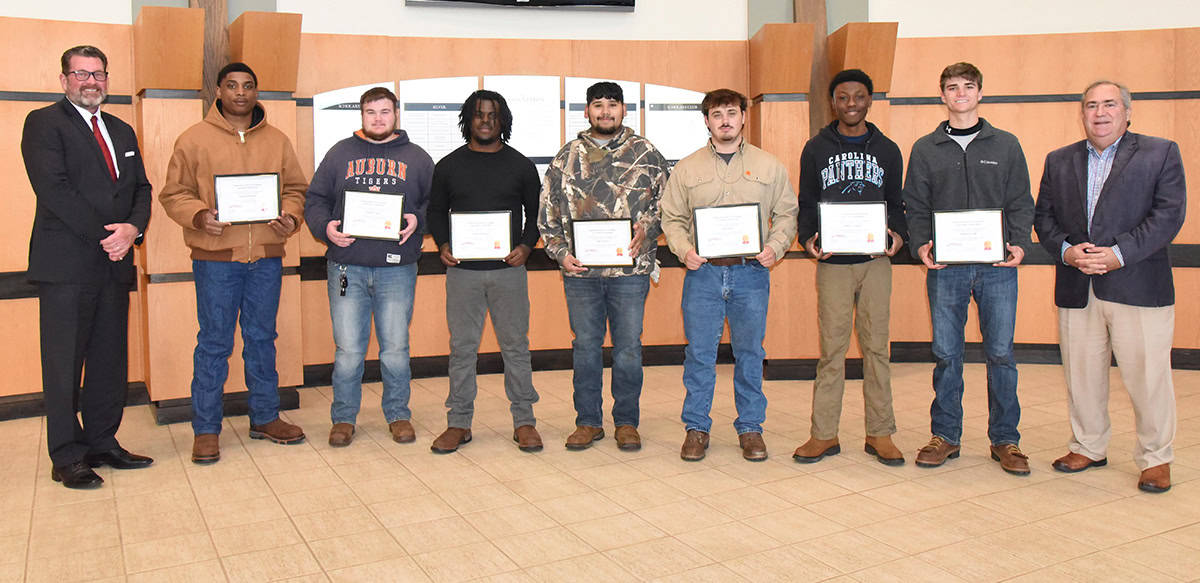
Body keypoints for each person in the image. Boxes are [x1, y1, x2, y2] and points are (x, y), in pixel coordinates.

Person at [1034, 81, 1185, 493]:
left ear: (1127, 112)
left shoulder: (1161, 152)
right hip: (1077, 285)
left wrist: (1118, 254)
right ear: (1081, 113)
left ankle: (1156, 457)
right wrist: (1067, 252)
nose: (1100, 113)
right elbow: (1043, 219)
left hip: (1138, 283)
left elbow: (1168, 216)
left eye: (1109, 105)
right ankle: (1088, 446)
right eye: (1091, 106)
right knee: (1081, 374)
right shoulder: (1059, 160)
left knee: (1148, 376)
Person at [160, 62, 308, 464]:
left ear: (256, 92)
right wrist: (198, 216)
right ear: (219, 92)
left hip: (265, 257)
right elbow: (174, 193)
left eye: (248, 86)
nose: (240, 92)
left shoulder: (277, 140)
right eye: (232, 85)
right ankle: (206, 429)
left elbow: (296, 189)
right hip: (216, 260)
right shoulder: (192, 140)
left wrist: (291, 218)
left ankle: (264, 416)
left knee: (262, 339)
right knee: (214, 343)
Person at [21, 45, 153, 488]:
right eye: (80, 73)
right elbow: (54, 191)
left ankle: (102, 441)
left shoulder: (122, 129)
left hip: (114, 266)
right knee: (62, 364)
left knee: (108, 361)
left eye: (97, 74)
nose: (90, 81)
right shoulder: (43, 124)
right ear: (64, 80)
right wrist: (109, 237)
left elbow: (141, 188)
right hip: (67, 266)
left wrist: (133, 228)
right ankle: (67, 454)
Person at [902, 62, 1034, 475]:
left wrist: (1018, 241)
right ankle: (945, 436)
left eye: (968, 87)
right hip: (947, 268)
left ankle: (1006, 440)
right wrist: (921, 244)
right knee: (946, 354)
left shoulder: (1006, 145)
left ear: (980, 93)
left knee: (1001, 354)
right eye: (952, 87)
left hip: (997, 266)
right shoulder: (925, 148)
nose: (960, 94)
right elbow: (916, 204)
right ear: (941, 95)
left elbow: (1020, 200)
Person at [660, 88, 798, 462]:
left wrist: (776, 246)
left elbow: (787, 213)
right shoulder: (687, 168)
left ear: (742, 118)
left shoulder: (769, 166)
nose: (725, 120)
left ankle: (751, 428)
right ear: (706, 120)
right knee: (700, 355)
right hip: (703, 275)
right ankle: (696, 428)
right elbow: (671, 217)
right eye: (717, 114)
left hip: (750, 273)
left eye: (732, 113)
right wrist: (683, 249)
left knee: (750, 353)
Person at [538, 81, 669, 452]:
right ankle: (588, 422)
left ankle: (627, 422)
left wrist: (648, 229)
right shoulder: (567, 157)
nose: (606, 112)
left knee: (628, 348)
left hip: (630, 274)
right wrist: (561, 253)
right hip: (580, 274)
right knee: (585, 347)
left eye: (613, 105)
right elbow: (548, 215)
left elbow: (668, 207)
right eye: (598, 105)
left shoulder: (647, 154)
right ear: (586, 111)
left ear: (625, 110)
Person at [304, 86, 431, 448]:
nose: (378, 118)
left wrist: (416, 220)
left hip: (397, 269)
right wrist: (324, 227)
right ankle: (343, 417)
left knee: (395, 348)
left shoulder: (418, 158)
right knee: (348, 351)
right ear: (361, 115)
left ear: (396, 114)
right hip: (347, 268)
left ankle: (398, 414)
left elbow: (433, 204)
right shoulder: (339, 154)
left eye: (385, 112)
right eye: (371, 112)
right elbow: (315, 199)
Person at [793, 69, 907, 466]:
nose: (852, 104)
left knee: (877, 349)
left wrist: (898, 235)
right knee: (832, 351)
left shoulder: (888, 149)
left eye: (859, 96)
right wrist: (808, 238)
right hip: (834, 265)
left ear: (869, 100)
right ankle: (823, 434)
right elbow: (807, 202)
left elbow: (897, 202)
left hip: (875, 262)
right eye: (843, 97)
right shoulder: (816, 148)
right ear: (834, 102)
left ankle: (880, 433)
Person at [427, 90, 541, 453]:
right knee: (462, 348)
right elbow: (435, 213)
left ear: (502, 120)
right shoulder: (448, 166)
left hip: (509, 273)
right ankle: (458, 423)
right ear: (468, 120)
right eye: (479, 115)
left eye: (493, 115)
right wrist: (443, 244)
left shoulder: (521, 165)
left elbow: (536, 215)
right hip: (463, 274)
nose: (486, 121)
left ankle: (524, 421)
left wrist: (525, 246)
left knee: (516, 347)